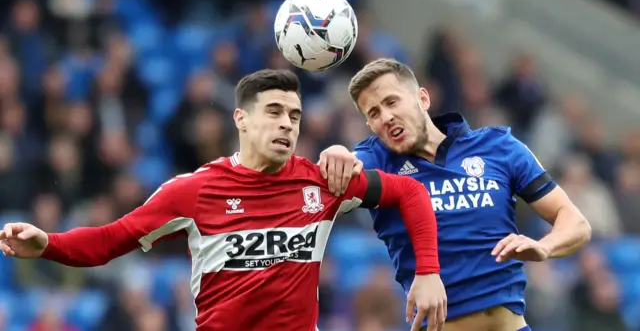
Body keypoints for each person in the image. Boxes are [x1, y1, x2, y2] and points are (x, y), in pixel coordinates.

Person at [0, 69, 447, 331]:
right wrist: (49, 244)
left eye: (294, 115)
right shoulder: (193, 190)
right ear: (242, 119)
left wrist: (428, 272)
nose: (287, 124)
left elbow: (409, 190)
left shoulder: (321, 184)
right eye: (273, 112)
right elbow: (107, 241)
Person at [317, 58, 592, 331]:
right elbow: (331, 179)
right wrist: (336, 155)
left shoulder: (499, 147)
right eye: (374, 113)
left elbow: (575, 222)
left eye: (391, 102)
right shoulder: (379, 160)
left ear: (422, 99)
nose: (386, 117)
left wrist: (545, 247)